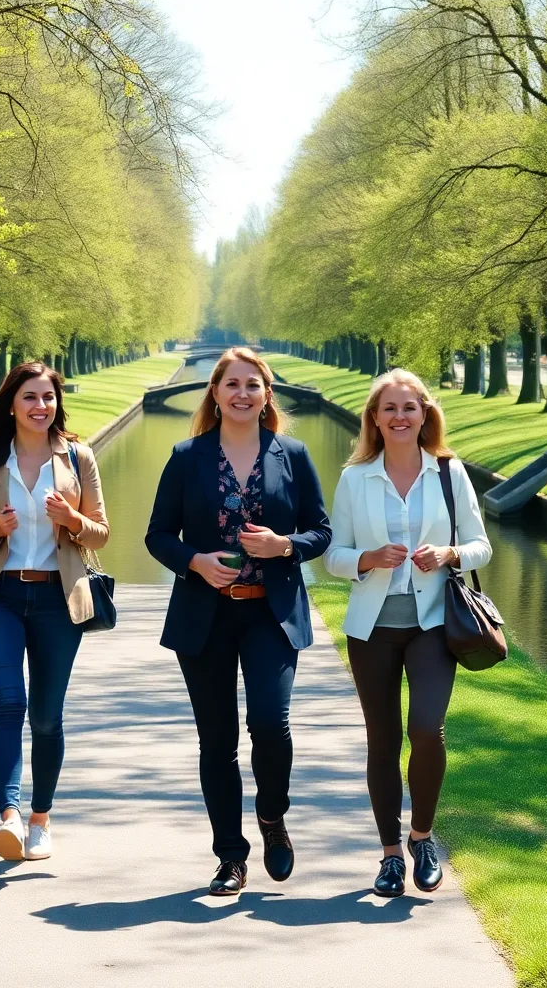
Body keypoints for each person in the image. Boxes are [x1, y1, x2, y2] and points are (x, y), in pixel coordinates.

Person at [145, 347, 331, 896]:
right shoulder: (186, 456)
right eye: (232, 384)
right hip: (205, 616)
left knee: (271, 725)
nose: (242, 393)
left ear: (267, 394)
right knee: (217, 741)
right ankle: (230, 855)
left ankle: (272, 817)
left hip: (270, 614)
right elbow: (157, 535)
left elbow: (320, 531)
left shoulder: (293, 455)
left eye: (253, 385)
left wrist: (284, 546)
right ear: (216, 393)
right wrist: (196, 563)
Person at [323, 369, 491, 897]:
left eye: (409, 408)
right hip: (371, 628)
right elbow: (332, 556)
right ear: (374, 417)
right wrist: (366, 559)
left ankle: (422, 836)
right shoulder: (356, 477)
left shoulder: (449, 471)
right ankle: (390, 854)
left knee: (425, 730)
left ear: (425, 415)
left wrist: (450, 554)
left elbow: (481, 544)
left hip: (434, 624)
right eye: (389, 409)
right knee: (383, 739)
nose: (399, 417)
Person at [0, 361, 109, 861]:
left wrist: (73, 518)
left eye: (47, 398)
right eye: (30, 398)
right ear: (12, 404)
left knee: (46, 718)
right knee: (7, 704)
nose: (40, 406)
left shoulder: (78, 458)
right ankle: (9, 816)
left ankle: (41, 819)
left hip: (57, 601)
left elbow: (102, 532)